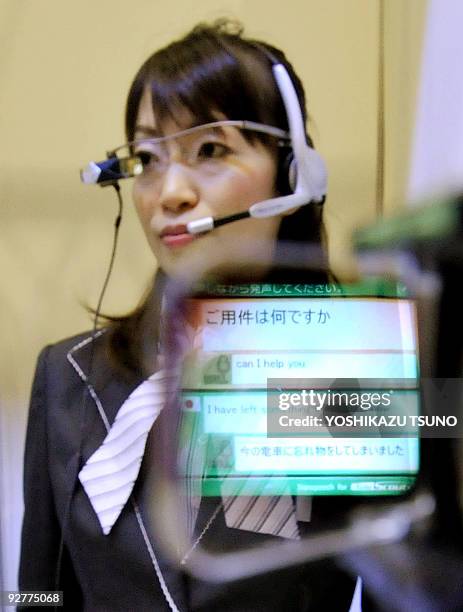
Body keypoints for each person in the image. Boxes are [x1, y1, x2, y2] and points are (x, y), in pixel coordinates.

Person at [18, 19, 358, 611]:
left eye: (210, 149)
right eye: (147, 158)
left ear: (292, 173)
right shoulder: (66, 375)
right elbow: (38, 594)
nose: (169, 191)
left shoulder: (363, 367)